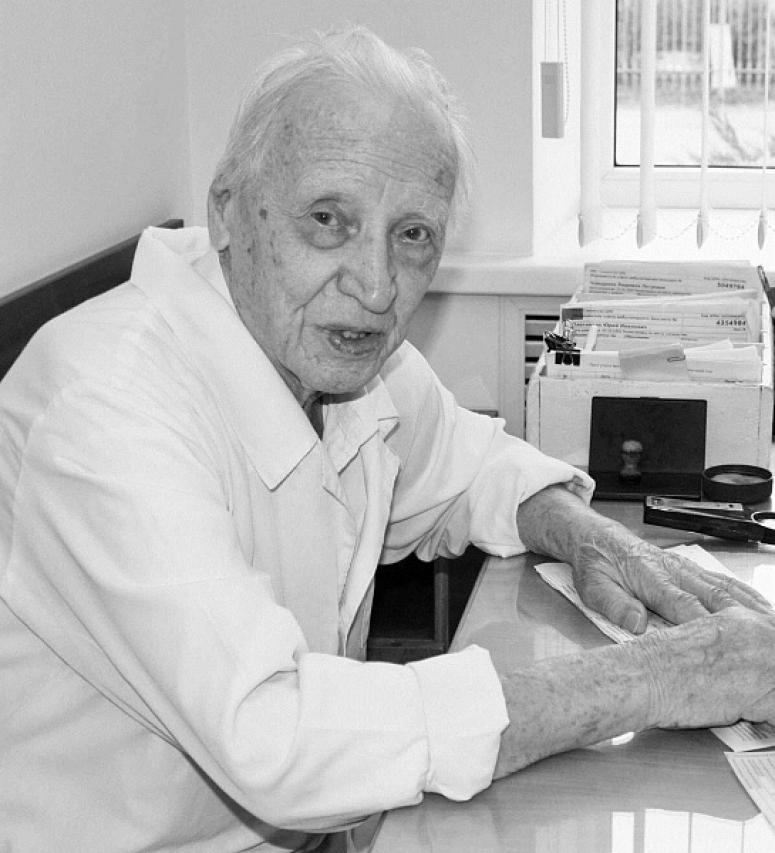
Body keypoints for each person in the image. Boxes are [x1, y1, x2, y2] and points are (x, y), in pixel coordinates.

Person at [1, 25, 775, 853]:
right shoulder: (104, 408)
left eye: (411, 235)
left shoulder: (335, 349)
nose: (375, 286)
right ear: (227, 209)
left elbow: (466, 466)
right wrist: (655, 676)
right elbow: (275, 736)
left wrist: (592, 537)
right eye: (327, 219)